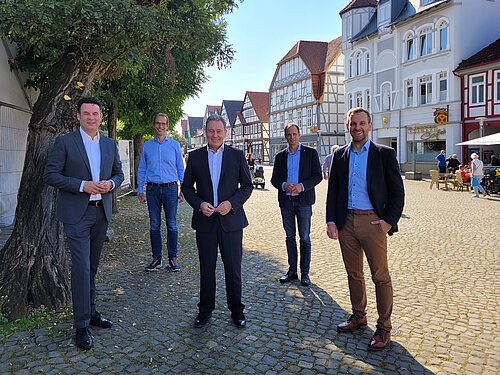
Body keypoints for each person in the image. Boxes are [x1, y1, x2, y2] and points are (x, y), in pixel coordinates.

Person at [44, 97, 124, 350]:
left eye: (95, 113)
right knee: (81, 267)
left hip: (101, 212)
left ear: (101, 116)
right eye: (86, 113)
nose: (91, 117)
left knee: (92, 266)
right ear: (78, 116)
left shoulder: (110, 144)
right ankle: (81, 326)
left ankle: (90, 313)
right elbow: (50, 175)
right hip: (77, 214)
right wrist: (82, 185)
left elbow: (119, 173)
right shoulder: (65, 142)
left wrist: (111, 184)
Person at [326, 107, 404, 351]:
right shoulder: (339, 155)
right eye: (353, 123)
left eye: (362, 123)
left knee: (380, 276)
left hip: (373, 223)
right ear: (348, 126)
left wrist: (388, 222)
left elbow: (397, 192)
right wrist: (331, 220)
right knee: (354, 274)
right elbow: (333, 191)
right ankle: (359, 316)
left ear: (370, 126)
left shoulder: (384, 154)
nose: (357, 127)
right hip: (346, 223)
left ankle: (384, 328)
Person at [181, 114, 253, 329]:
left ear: (225, 133)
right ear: (206, 132)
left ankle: (237, 310)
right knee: (206, 268)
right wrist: (199, 204)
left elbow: (247, 187)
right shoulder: (194, 157)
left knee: (233, 268)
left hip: (231, 220)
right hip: (205, 221)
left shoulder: (237, 155)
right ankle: (205, 310)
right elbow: (186, 188)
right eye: (211, 131)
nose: (214, 135)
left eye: (218, 131)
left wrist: (232, 203)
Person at [271, 123, 322, 287]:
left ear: (299, 134)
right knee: (289, 237)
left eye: (294, 134)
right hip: (286, 201)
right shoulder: (280, 156)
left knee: (305, 237)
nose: (292, 137)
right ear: (285, 136)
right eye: (289, 135)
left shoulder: (310, 153)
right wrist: (284, 184)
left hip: (304, 201)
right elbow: (274, 179)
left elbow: (317, 176)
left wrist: (302, 186)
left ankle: (305, 274)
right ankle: (292, 271)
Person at [137, 113, 185, 272]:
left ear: (167, 126)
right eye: (158, 123)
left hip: (171, 189)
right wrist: (140, 188)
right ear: (154, 125)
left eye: (163, 124)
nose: (160, 126)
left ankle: (173, 257)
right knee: (154, 225)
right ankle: (156, 258)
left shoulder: (175, 145)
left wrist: (183, 188)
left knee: (172, 225)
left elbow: (180, 168)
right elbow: (142, 168)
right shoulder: (147, 146)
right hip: (152, 189)